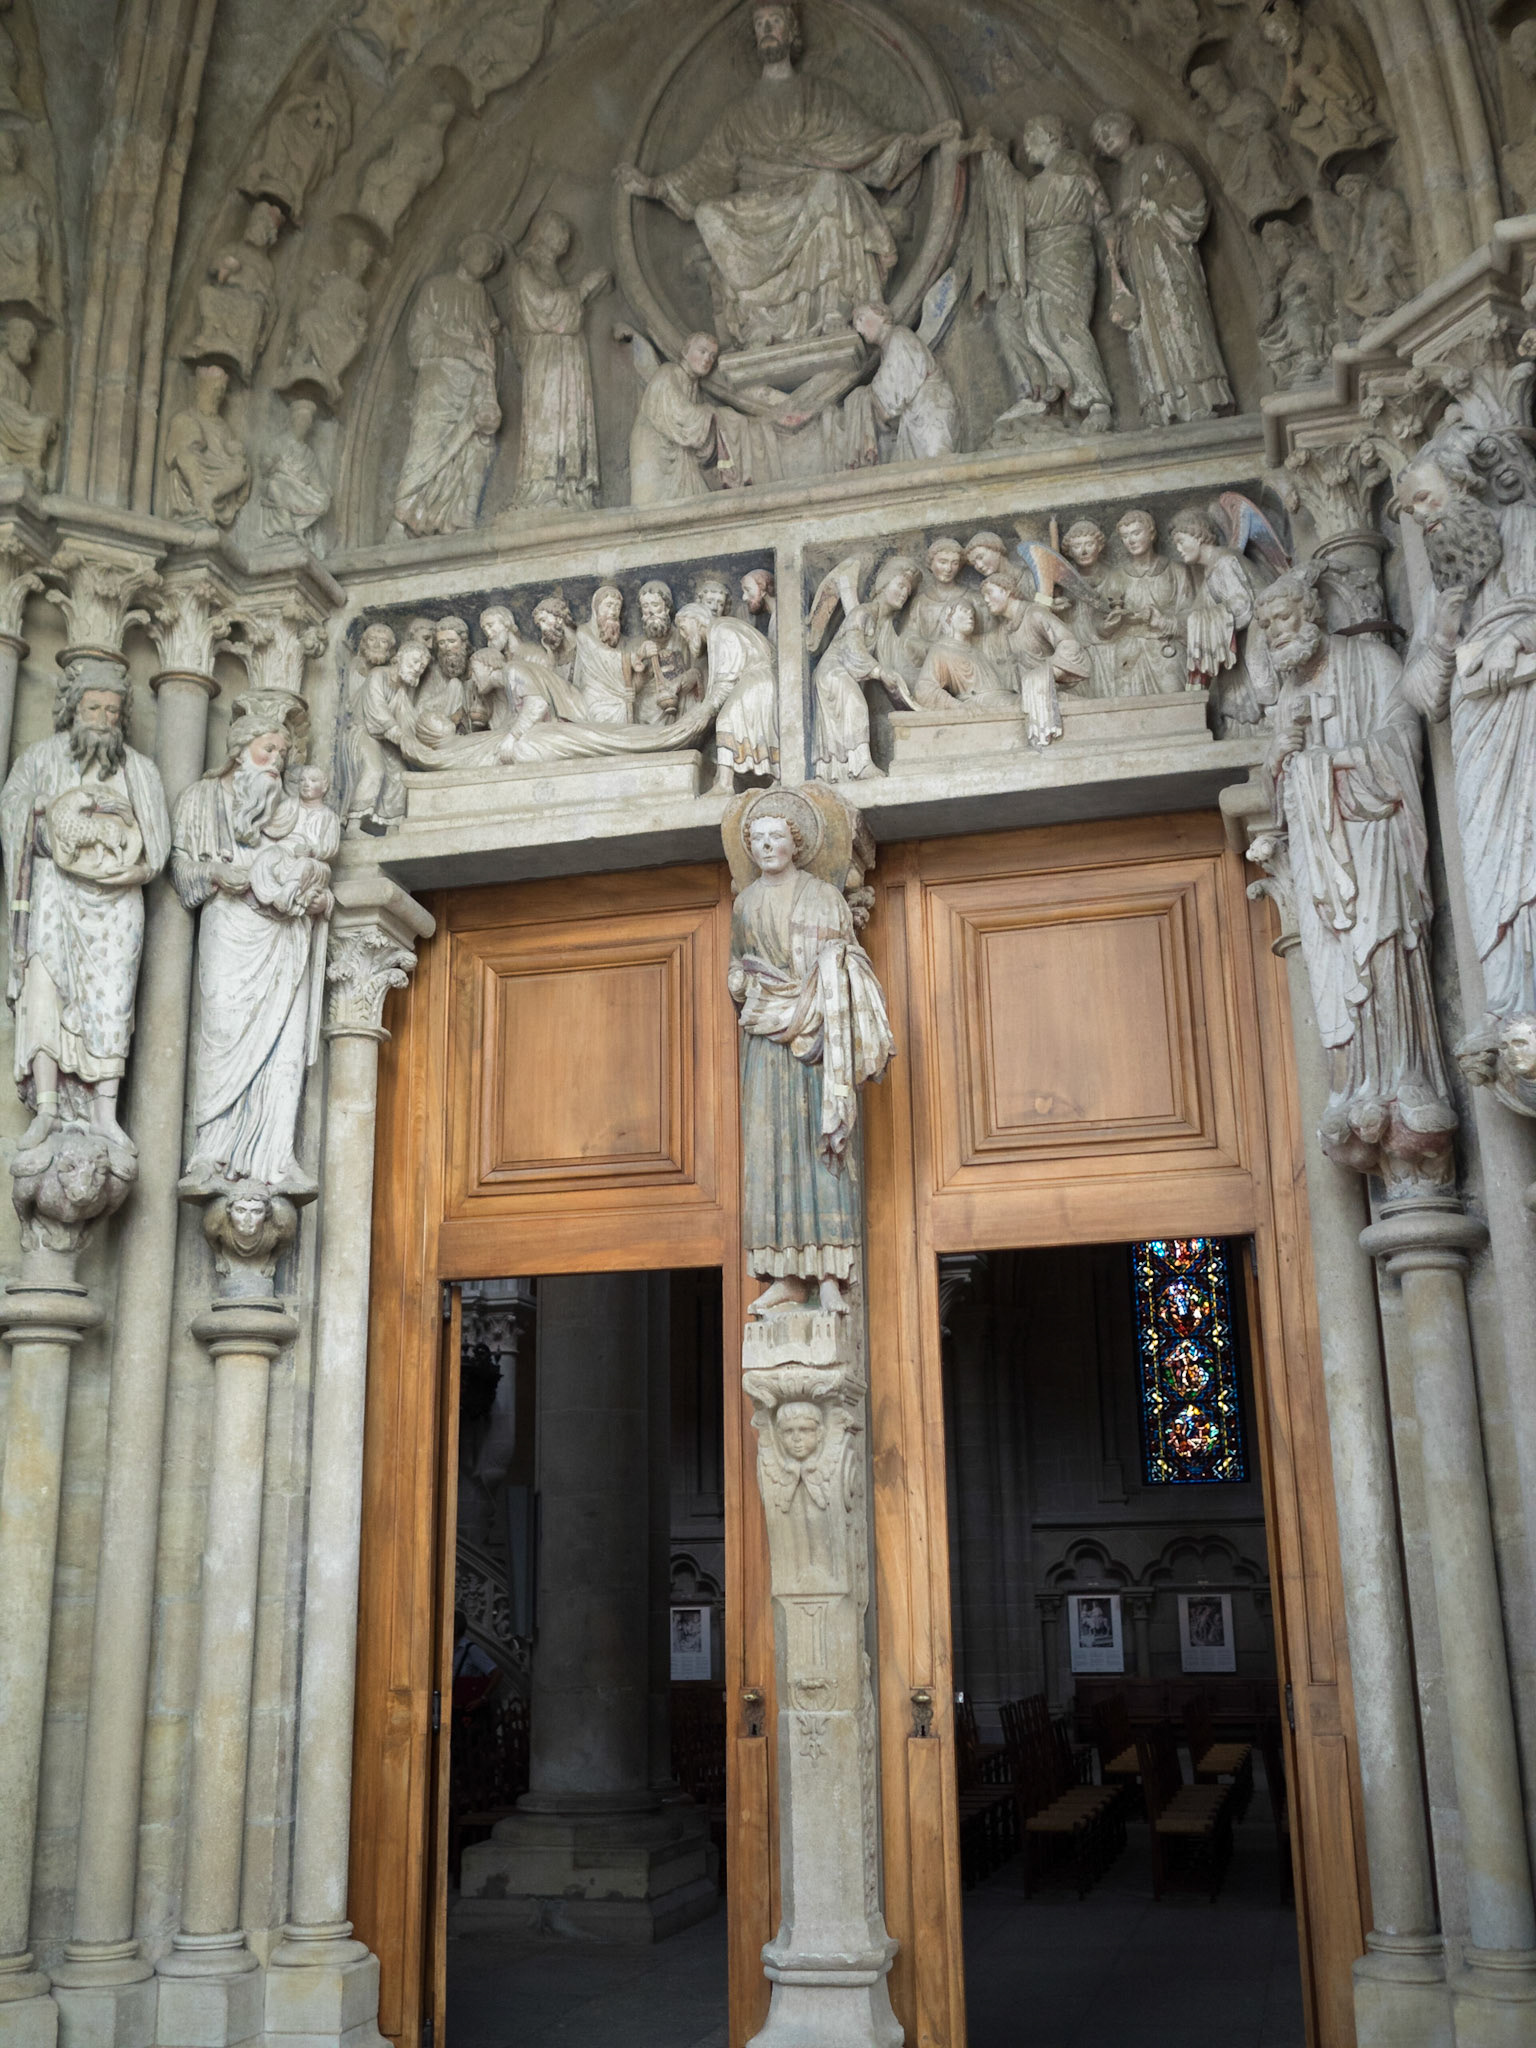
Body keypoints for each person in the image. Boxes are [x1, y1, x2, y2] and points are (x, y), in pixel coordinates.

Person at [616, 0, 958, 349]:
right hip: (757, 204)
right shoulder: (738, 113)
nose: (766, 28)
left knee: (830, 185)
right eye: (759, 23)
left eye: (774, 20)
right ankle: (758, 324)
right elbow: (708, 168)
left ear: (791, 32)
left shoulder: (821, 96)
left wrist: (924, 142)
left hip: (810, 190)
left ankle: (831, 311)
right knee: (707, 213)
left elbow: (867, 147)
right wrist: (655, 186)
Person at [728, 794, 894, 1315]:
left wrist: (827, 970)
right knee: (770, 1152)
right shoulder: (745, 903)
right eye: (757, 840)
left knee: (818, 1150)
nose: (767, 846)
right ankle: (785, 1277)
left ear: (796, 843)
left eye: (776, 837)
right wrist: (743, 979)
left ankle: (828, 1274)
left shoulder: (823, 895)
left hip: (817, 1043)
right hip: (764, 1045)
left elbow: (848, 958)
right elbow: (739, 966)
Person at [0, 658, 170, 1151]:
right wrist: (36, 819)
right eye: (92, 707)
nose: (102, 719)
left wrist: (135, 870)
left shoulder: (140, 770)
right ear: (73, 709)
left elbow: (156, 845)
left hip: (118, 904)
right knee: (44, 989)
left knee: (112, 1000)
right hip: (54, 893)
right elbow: (11, 812)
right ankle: (48, 1108)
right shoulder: (40, 759)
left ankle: (104, 1112)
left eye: (113, 711)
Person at [172, 700, 335, 1196]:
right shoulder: (202, 799)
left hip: (285, 936)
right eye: (269, 750)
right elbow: (181, 873)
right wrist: (217, 872)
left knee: (283, 1045)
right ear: (240, 751)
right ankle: (210, 1153)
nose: (277, 763)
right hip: (229, 928)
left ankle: (275, 1155)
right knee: (222, 1031)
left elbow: (319, 866)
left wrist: (312, 892)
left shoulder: (295, 814)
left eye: (284, 756)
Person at [1091, 111, 1233, 427]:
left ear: (1130, 126)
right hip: (1140, 265)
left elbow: (1191, 192)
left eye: (1108, 127)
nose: (1105, 137)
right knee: (1147, 332)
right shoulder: (1123, 177)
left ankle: (1199, 398)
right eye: (1099, 138)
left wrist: (1146, 205)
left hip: (1167, 255)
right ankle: (1164, 404)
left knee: (1180, 318)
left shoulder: (1159, 153)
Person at [394, 234, 503, 537]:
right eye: (481, 251)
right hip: (439, 383)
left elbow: (484, 345)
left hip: (473, 385)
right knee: (425, 446)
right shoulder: (436, 289)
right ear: (465, 251)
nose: (486, 261)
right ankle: (405, 512)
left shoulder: (483, 297)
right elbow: (419, 342)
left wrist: (486, 338)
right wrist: (465, 350)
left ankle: (453, 519)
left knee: (473, 447)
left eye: (492, 259)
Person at [507, 211, 609, 510]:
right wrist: (584, 288)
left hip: (566, 354)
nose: (565, 237)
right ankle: (544, 488)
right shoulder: (525, 269)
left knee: (567, 414)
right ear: (541, 232)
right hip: (547, 357)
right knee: (549, 415)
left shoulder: (549, 270)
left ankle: (569, 486)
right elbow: (543, 308)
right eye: (559, 230)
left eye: (566, 231)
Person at [851, 299, 957, 463]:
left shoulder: (899, 336)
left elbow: (893, 398)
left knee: (938, 467)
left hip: (929, 412)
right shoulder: (887, 349)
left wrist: (867, 395)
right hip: (914, 419)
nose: (858, 329)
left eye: (861, 319)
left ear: (880, 314)